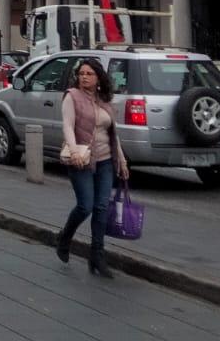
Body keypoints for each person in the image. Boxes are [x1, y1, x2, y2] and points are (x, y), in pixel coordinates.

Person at [56, 56, 128, 277]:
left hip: (106, 160)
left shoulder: (104, 99)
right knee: (85, 206)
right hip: (82, 159)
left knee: (101, 207)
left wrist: (121, 159)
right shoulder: (72, 96)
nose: (84, 77)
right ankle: (65, 237)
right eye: (81, 74)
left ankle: (97, 255)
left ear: (98, 78)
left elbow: (113, 132)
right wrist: (74, 151)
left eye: (89, 74)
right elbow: (68, 125)